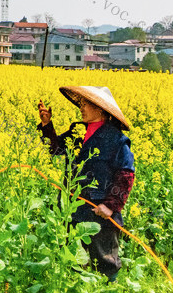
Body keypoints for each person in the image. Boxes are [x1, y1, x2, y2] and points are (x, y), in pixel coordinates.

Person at [36, 86, 135, 281]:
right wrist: (47, 125)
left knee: (103, 255)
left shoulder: (115, 138)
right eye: (80, 104)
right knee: (73, 253)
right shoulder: (77, 131)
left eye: (86, 104)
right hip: (73, 204)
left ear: (100, 109)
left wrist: (110, 205)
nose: (81, 108)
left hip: (99, 207)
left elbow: (126, 174)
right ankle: (78, 292)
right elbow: (55, 150)